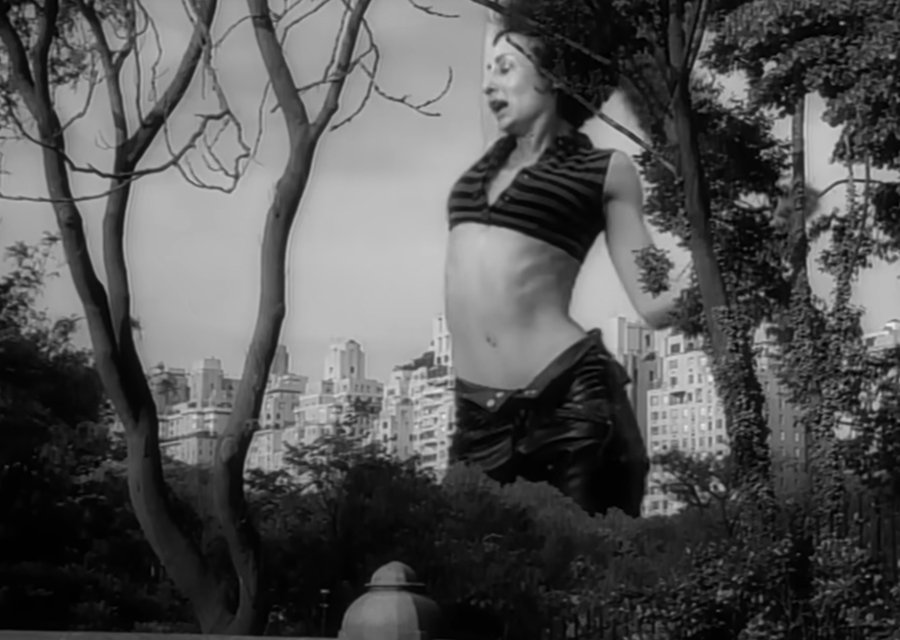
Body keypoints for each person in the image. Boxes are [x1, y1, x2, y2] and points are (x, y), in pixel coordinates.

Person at [444, 3, 690, 518]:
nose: (488, 85)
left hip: (570, 406)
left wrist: (733, 258)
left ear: (553, 77)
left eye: (505, 69)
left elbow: (655, 303)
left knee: (583, 560)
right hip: (477, 416)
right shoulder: (490, 159)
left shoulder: (604, 171)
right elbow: (497, 17)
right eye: (488, 70)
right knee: (458, 559)